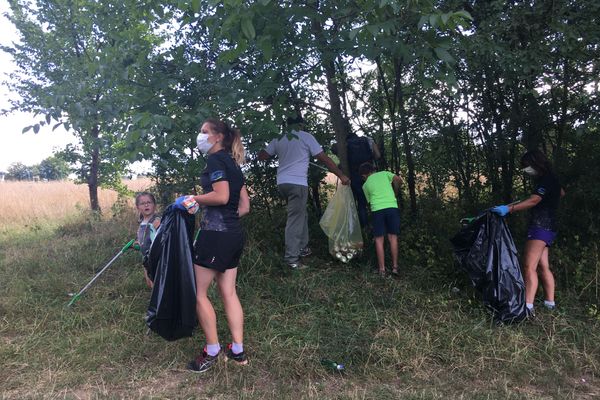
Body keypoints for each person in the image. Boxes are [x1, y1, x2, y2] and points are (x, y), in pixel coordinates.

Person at [175, 118, 251, 373]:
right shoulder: (233, 164)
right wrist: (224, 219)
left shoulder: (216, 160)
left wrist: (190, 198)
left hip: (215, 236)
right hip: (233, 235)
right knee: (228, 292)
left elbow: (221, 196)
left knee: (198, 292)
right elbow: (244, 207)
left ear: (218, 137)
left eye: (204, 131)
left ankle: (212, 349)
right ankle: (238, 351)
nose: (201, 135)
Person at [258, 115, 350, 269]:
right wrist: (341, 175)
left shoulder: (278, 138)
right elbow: (324, 159)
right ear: (300, 125)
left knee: (301, 214)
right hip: (297, 184)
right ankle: (292, 259)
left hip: (283, 183)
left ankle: (303, 248)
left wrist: (262, 143)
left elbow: (263, 156)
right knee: (295, 219)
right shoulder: (306, 137)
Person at [491, 150, 565, 316]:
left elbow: (534, 200)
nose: (525, 170)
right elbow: (561, 193)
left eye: (526, 166)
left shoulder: (545, 180)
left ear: (535, 163)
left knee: (528, 266)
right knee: (543, 266)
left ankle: (527, 307)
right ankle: (549, 304)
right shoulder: (551, 179)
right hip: (550, 226)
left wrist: (509, 209)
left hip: (540, 226)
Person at [359, 162, 402, 277]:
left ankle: (382, 270)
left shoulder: (365, 185)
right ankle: (395, 268)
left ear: (364, 176)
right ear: (373, 170)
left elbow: (369, 202)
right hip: (392, 207)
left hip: (377, 210)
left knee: (379, 239)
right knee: (393, 237)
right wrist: (395, 192)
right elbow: (398, 179)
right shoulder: (384, 173)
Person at [346, 132, 381, 228]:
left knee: (361, 203)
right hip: (370, 173)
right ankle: (379, 225)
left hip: (356, 175)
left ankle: (365, 228)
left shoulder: (346, 145)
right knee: (376, 199)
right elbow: (378, 155)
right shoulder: (367, 140)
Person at [134, 192, 160, 289]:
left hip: (155, 258)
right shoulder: (141, 222)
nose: (146, 205)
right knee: (149, 283)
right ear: (138, 207)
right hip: (145, 258)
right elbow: (143, 237)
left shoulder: (157, 221)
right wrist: (138, 242)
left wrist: (160, 226)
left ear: (154, 205)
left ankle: (159, 303)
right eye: (142, 203)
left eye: (149, 202)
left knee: (155, 283)